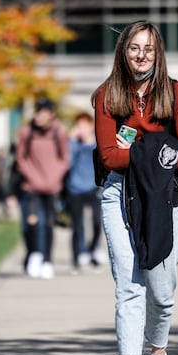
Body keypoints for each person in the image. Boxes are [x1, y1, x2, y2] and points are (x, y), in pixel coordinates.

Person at [92, 20, 178, 355]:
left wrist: (136, 149)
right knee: (129, 284)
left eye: (148, 49)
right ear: (124, 51)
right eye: (134, 48)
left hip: (167, 198)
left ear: (158, 53)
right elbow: (108, 157)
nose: (141, 55)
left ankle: (159, 352)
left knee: (162, 290)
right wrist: (157, 151)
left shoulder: (174, 93)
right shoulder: (106, 95)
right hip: (118, 193)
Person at [15, 97, 70, 279]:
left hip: (53, 187)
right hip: (31, 187)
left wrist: (54, 178)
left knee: (48, 225)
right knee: (32, 223)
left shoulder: (59, 132)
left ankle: (47, 260)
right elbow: (21, 159)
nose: (39, 116)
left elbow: (65, 159)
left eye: (43, 112)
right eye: (37, 112)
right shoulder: (27, 132)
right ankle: (34, 254)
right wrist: (33, 176)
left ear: (51, 114)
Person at [64, 112, 106, 270]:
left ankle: (92, 249)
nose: (81, 129)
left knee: (96, 222)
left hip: (94, 188)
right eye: (78, 125)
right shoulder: (73, 144)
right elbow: (67, 162)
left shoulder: (97, 142)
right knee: (77, 225)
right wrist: (73, 141)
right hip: (75, 188)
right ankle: (77, 257)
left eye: (84, 125)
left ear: (91, 126)